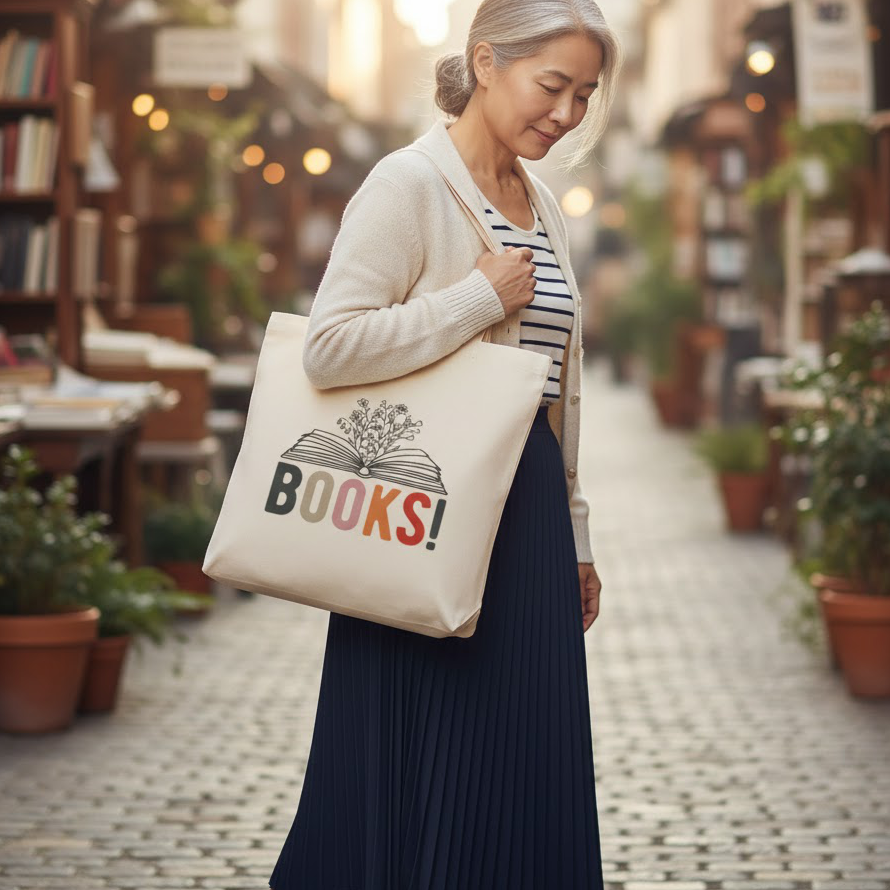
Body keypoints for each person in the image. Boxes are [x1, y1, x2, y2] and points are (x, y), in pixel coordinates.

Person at [269, 1, 622, 887]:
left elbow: (550, 392)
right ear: (487, 61)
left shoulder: (543, 205)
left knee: (522, 750)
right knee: (412, 743)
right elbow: (331, 343)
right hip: (417, 503)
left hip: (526, 510)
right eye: (554, 85)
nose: (568, 113)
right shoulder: (408, 184)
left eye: (584, 94)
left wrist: (574, 538)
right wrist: (474, 298)